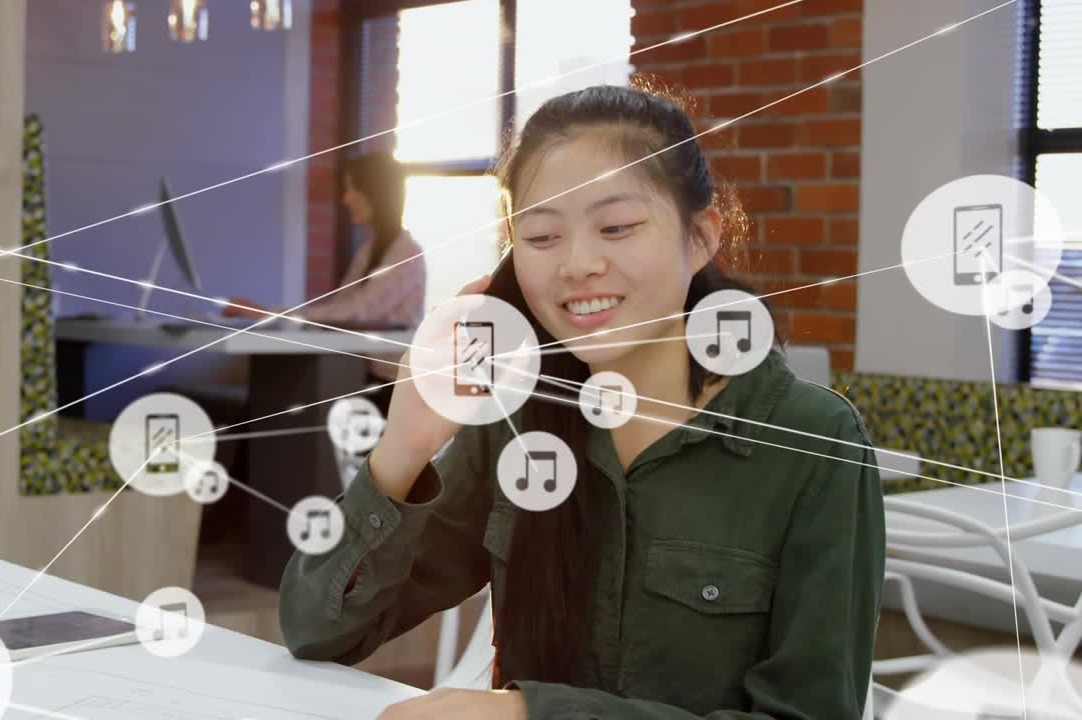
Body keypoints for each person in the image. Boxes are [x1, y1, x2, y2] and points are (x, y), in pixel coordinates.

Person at [277, 84, 885, 719]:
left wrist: (528, 714)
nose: (579, 264)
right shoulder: (518, 422)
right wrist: (401, 450)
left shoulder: (814, 442)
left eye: (617, 227)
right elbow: (316, 629)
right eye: (541, 237)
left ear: (701, 237)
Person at [224, 151, 425, 417]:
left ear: (374, 192)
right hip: (360, 375)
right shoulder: (370, 250)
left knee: (287, 404)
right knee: (278, 399)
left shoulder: (406, 252)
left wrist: (271, 314)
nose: (345, 199)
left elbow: (355, 312)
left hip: (389, 386)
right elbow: (343, 309)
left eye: (352, 189)